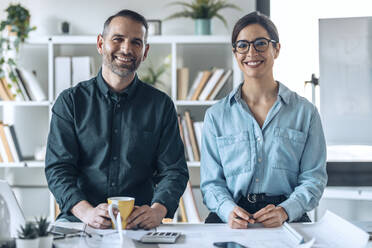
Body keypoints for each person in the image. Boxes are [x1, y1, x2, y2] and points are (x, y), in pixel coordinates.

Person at [45, 9, 188, 230]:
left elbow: (174, 170)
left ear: (145, 51)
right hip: (81, 220)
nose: (126, 49)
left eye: (136, 42)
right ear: (101, 44)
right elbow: (58, 169)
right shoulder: (70, 103)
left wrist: (157, 211)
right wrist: (86, 212)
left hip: (140, 224)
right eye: (118, 39)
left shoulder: (161, 106)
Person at [200, 11, 327, 229]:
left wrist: (286, 210)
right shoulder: (216, 116)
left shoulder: (306, 113)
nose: (251, 52)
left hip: (287, 215)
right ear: (235, 52)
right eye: (242, 45)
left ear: (276, 49)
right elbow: (212, 183)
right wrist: (227, 210)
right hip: (233, 215)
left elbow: (313, 179)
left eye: (260, 43)